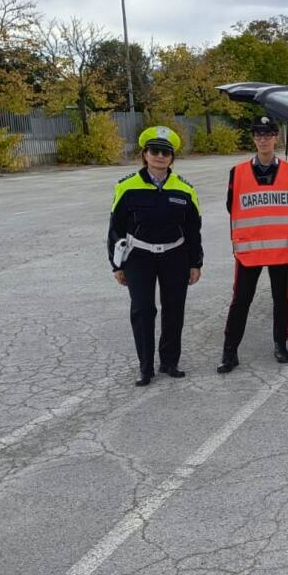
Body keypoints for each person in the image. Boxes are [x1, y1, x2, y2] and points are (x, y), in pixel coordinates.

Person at [108, 126, 202, 386]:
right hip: (139, 257)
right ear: (145, 155)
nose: (160, 156)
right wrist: (117, 265)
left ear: (172, 158)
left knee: (174, 311)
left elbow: (193, 230)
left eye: (165, 152)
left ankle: (169, 362)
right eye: (154, 151)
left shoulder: (184, 189)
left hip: (175, 256)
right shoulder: (126, 187)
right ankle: (145, 367)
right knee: (143, 311)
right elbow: (115, 229)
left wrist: (195, 262)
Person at [217, 114, 288, 373]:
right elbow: (230, 206)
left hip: (282, 249)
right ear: (253, 138)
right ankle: (229, 352)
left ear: (276, 138)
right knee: (241, 300)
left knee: (282, 299)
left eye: (268, 134)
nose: (263, 139)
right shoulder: (238, 172)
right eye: (258, 135)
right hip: (250, 249)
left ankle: (281, 344)